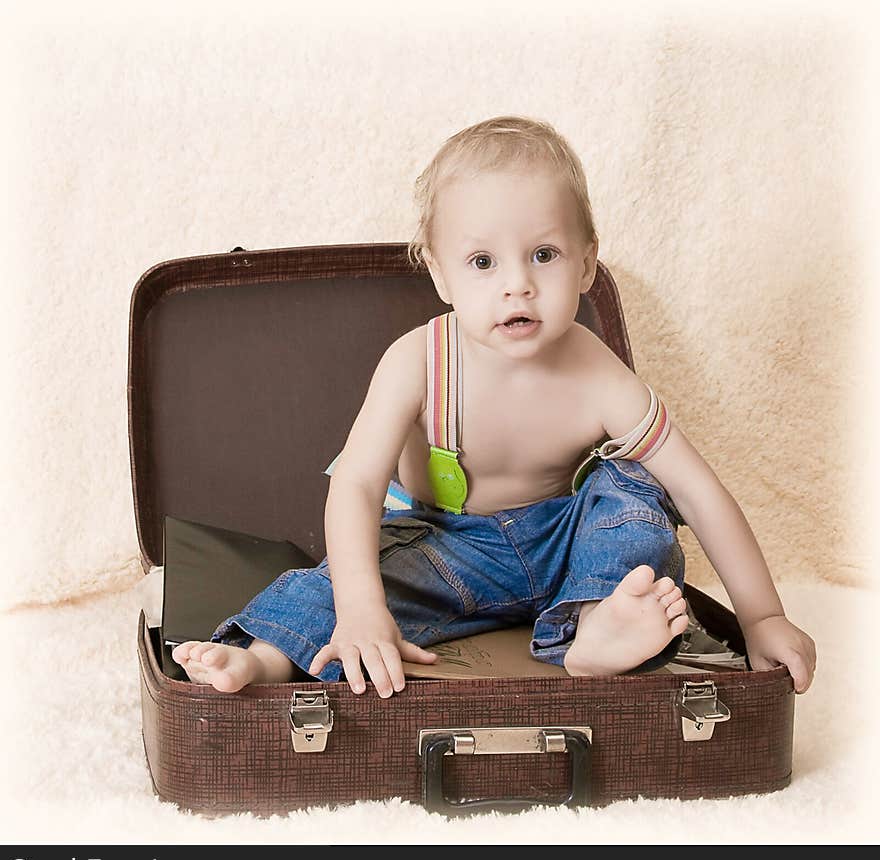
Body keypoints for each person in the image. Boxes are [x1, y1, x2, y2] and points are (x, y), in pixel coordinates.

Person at [173, 115, 816, 697]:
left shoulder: (597, 371)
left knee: (635, 492)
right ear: (440, 273)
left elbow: (700, 490)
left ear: (588, 264)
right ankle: (262, 662)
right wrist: (363, 606)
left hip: (569, 545)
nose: (518, 284)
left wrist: (761, 617)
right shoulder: (416, 362)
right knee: (343, 585)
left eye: (544, 254)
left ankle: (595, 626)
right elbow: (358, 484)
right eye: (483, 261)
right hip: (449, 547)